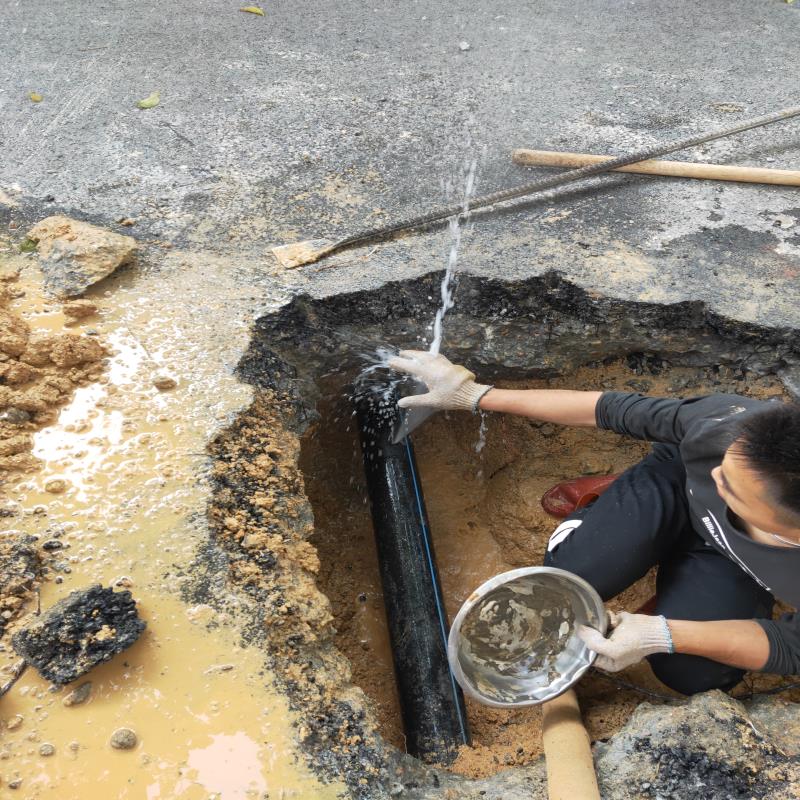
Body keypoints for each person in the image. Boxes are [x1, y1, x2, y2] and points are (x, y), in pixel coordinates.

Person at [388, 350, 800, 695]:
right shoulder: (731, 427)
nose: (714, 475)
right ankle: (616, 496)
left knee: (695, 675)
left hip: (730, 560)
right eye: (722, 465)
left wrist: (663, 635)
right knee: (566, 580)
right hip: (675, 488)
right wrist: (475, 395)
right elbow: (609, 409)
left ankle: (680, 584)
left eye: (729, 485)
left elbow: (792, 647)